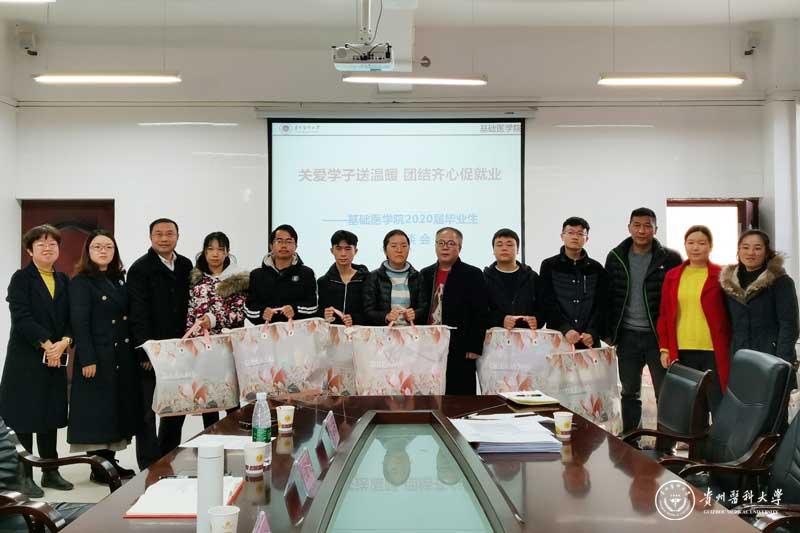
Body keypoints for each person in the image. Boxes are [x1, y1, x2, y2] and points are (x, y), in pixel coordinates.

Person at [0, 225, 73, 496]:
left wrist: (64, 342)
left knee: (49, 415)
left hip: (55, 356)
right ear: (30, 250)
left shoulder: (64, 279)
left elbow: (72, 317)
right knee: (25, 417)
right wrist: (47, 345)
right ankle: (24, 476)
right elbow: (22, 317)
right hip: (26, 359)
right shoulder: (21, 278)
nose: (47, 248)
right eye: (41, 244)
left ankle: (51, 472)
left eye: (52, 243)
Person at [68, 230, 139, 483]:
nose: (103, 251)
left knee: (113, 410)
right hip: (96, 357)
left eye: (108, 247)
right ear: (88, 251)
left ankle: (110, 462)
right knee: (96, 412)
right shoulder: (81, 282)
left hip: (118, 356)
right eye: (97, 246)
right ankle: (98, 467)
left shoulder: (117, 279)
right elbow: (79, 322)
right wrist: (87, 358)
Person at [605, 207, 682, 435]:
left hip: (658, 338)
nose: (641, 230)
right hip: (627, 336)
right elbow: (607, 296)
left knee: (665, 394)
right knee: (629, 392)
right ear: (629, 227)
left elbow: (678, 298)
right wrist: (609, 333)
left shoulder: (670, 258)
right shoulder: (616, 257)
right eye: (637, 225)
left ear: (656, 229)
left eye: (647, 226)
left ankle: (666, 443)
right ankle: (632, 439)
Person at [127, 218, 193, 468]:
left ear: (177, 236)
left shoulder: (186, 265)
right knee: (147, 412)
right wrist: (145, 353)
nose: (164, 238)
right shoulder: (139, 268)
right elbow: (137, 313)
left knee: (176, 408)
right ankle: (148, 465)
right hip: (151, 352)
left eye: (169, 233)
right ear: (150, 237)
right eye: (158, 234)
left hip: (180, 351)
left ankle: (168, 458)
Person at [657, 225, 731, 416]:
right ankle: (697, 438)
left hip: (713, 350)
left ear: (710, 246)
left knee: (717, 401)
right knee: (691, 406)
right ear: (685, 245)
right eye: (691, 243)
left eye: (701, 243)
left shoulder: (722, 275)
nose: (696, 247)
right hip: (682, 350)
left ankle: (718, 437)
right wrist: (665, 348)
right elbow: (664, 314)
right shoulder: (672, 276)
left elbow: (730, 315)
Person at [185, 231, 249, 427]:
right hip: (202, 348)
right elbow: (190, 311)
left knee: (231, 399)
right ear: (204, 252)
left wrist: (212, 320)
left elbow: (239, 314)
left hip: (228, 347)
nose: (215, 254)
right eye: (210, 249)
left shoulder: (238, 279)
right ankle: (210, 439)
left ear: (227, 252)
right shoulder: (195, 279)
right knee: (209, 400)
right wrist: (190, 338)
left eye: (220, 249)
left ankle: (236, 436)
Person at [720, 230, 799, 385]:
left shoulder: (780, 282)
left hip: (770, 357)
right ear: (738, 251)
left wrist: (782, 363)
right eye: (745, 247)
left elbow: (789, 326)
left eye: (757, 248)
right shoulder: (728, 284)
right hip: (739, 357)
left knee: (771, 399)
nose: (751, 253)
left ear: (766, 251)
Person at [420, 227, 488, 395]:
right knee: (430, 392)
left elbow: (480, 312)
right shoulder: (425, 274)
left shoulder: (473, 274)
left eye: (451, 243)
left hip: (461, 346)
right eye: (441, 243)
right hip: (429, 346)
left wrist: (475, 346)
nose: (445, 247)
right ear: (435, 246)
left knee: (460, 396)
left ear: (460, 247)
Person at [539, 217, 607, 348]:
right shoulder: (549, 265)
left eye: (580, 234)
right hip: (559, 337)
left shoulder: (596, 268)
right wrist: (565, 329)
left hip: (588, 340)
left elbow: (602, 305)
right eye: (570, 232)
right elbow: (547, 301)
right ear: (562, 236)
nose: (575, 237)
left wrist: (592, 331)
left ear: (587, 238)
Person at [245, 224, 317, 325]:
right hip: (265, 331)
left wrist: (295, 309)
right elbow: (248, 308)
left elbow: (313, 306)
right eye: (279, 241)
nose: (284, 245)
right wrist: (262, 312)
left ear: (296, 246)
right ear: (271, 246)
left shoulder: (306, 273)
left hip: (297, 331)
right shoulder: (256, 275)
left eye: (289, 241)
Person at [363, 229, 428, 326]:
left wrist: (415, 314)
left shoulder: (418, 277)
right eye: (394, 246)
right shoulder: (373, 277)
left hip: (410, 332)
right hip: (383, 332)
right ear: (385, 250)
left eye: (404, 246)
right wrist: (386, 316)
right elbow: (367, 310)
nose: (399, 250)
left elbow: (425, 308)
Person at [484, 228, 542, 330]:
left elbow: (544, 307)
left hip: (527, 336)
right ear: (493, 250)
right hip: (495, 336)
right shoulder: (484, 278)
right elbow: (479, 311)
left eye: (509, 244)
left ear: (518, 249)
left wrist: (537, 319)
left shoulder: (532, 277)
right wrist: (501, 320)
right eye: (499, 245)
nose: (504, 248)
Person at [317, 230, 369, 327]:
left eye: (348, 249)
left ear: (355, 251)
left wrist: (354, 319)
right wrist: (323, 314)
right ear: (332, 251)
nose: (343, 253)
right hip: (332, 334)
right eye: (338, 248)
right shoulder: (323, 282)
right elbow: (316, 311)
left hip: (360, 333)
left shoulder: (367, 279)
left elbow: (371, 311)